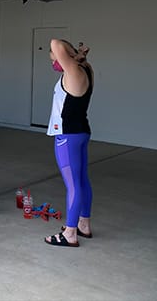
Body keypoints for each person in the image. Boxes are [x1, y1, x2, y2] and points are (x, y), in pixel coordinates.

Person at [44, 39, 93, 247]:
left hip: (67, 136)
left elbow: (55, 43)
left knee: (73, 185)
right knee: (82, 180)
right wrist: (78, 56)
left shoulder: (72, 68)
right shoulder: (86, 68)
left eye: (54, 58)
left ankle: (70, 233)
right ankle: (83, 225)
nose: (54, 62)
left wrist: (72, 54)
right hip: (81, 131)